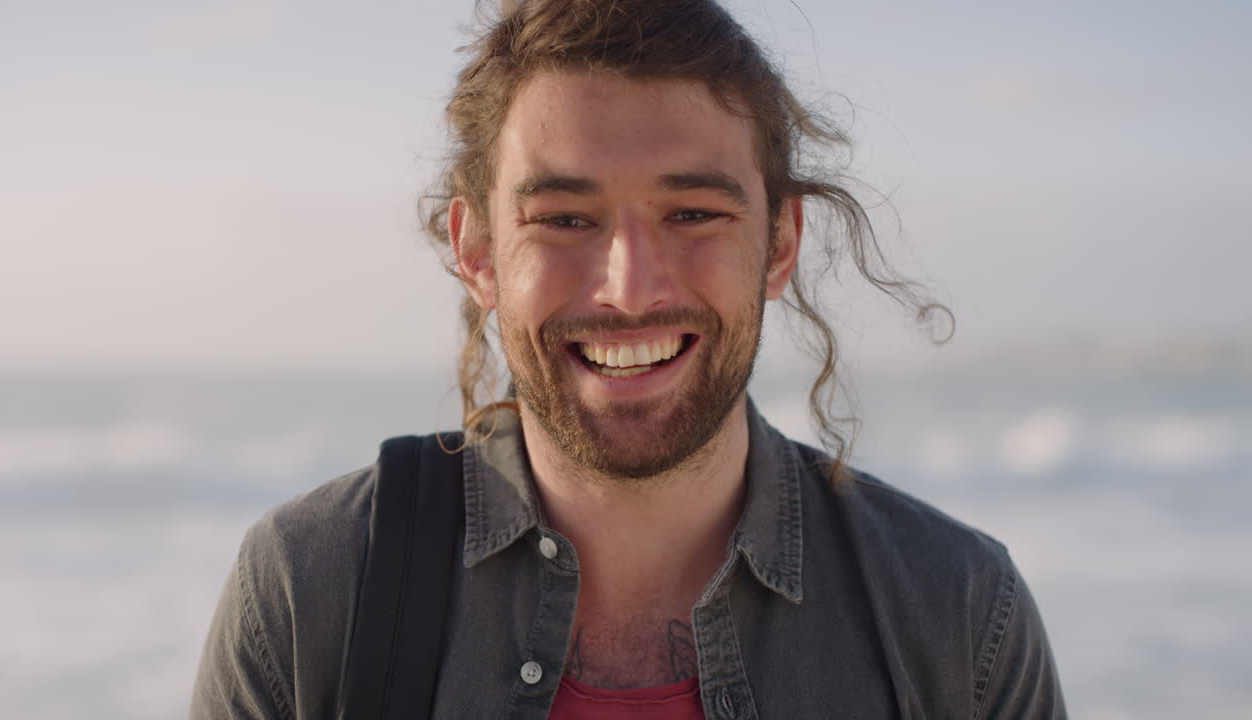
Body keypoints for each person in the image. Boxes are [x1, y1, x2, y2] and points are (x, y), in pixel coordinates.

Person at [191, 0, 1066, 717]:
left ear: (780, 242)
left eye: (692, 214)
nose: (631, 288)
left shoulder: (956, 615)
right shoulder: (311, 591)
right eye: (566, 219)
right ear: (479, 251)